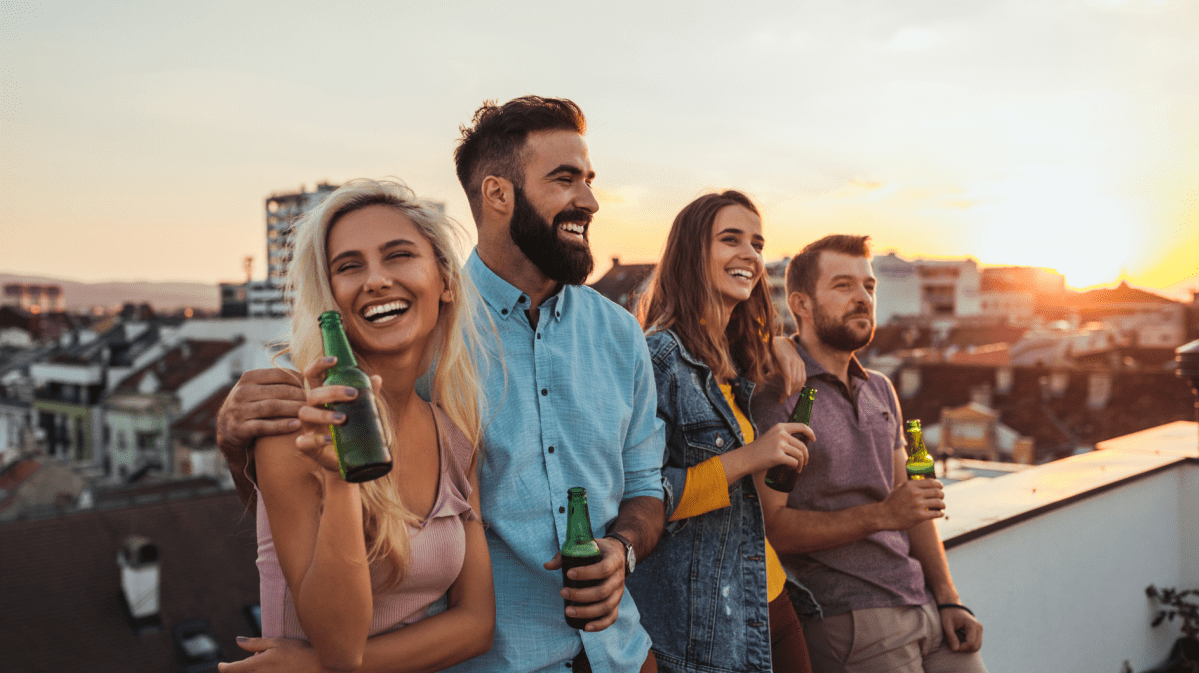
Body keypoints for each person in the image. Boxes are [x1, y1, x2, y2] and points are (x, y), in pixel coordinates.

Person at [216, 97, 668, 673]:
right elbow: (295, 516)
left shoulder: (620, 334)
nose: (589, 199)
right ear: (498, 194)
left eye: (588, 179)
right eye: (564, 179)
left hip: (621, 654)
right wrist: (236, 445)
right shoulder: (411, 338)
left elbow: (646, 483)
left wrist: (622, 550)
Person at [218, 179, 494, 673]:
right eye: (349, 267)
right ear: (330, 300)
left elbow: (475, 624)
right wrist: (339, 479)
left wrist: (314, 667)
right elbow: (341, 647)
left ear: (445, 281)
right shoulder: (295, 428)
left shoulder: (453, 435)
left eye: (399, 255)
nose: (376, 280)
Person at [752, 235, 987, 673]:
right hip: (850, 619)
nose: (862, 298)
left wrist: (950, 599)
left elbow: (911, 506)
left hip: (925, 605)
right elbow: (773, 527)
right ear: (800, 304)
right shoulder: (779, 392)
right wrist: (881, 516)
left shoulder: (880, 388)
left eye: (869, 287)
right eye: (843, 286)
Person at [627, 191, 818, 673]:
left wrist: (778, 342)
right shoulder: (658, 359)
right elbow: (643, 496)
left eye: (757, 243)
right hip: (708, 624)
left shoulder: (735, 363)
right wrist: (753, 456)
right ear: (693, 253)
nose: (750, 255)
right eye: (730, 239)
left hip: (768, 594)